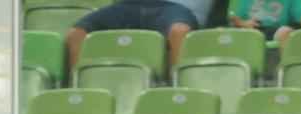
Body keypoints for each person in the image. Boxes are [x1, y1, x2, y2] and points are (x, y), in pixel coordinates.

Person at [66, 0, 213, 70]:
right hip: (129, 5)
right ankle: (77, 90)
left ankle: (176, 90)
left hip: (176, 8)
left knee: (179, 31)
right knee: (76, 34)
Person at [229, 0, 301, 48]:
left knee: (286, 31)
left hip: (276, 29)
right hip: (251, 29)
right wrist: (244, 23)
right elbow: (234, 18)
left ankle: (284, 69)